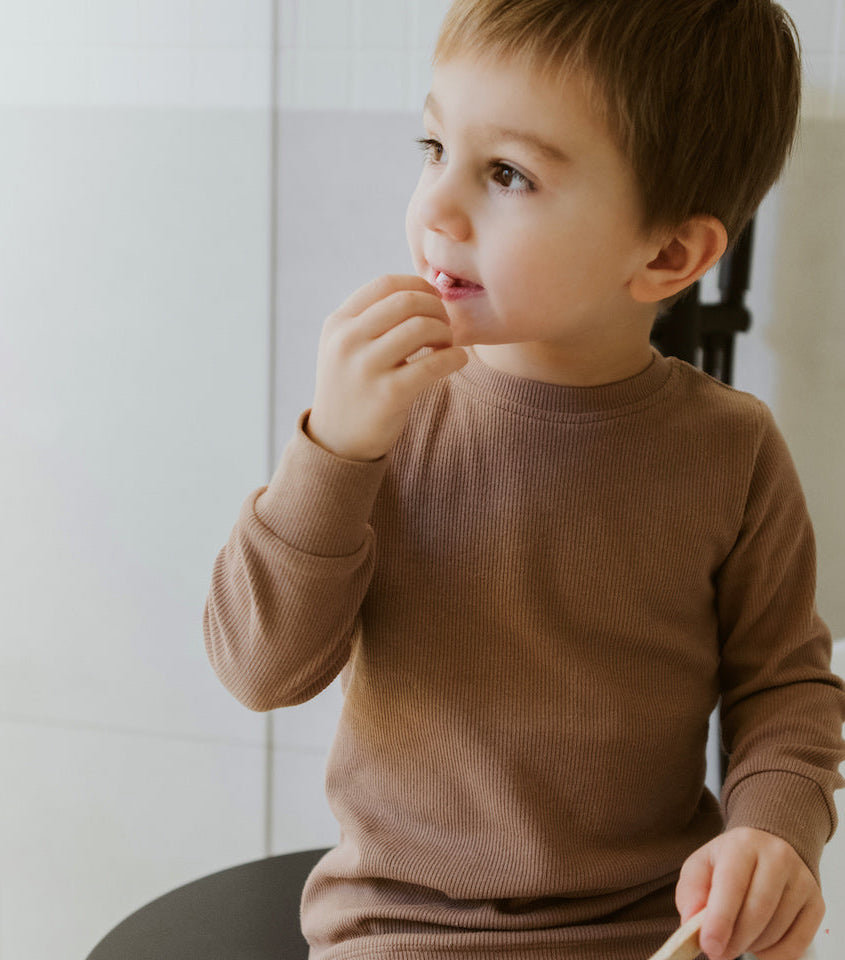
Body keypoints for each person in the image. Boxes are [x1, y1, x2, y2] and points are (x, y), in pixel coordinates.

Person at [203, 2, 845, 958]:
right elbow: (260, 668)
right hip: (398, 928)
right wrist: (333, 453)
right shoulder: (381, 420)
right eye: (432, 147)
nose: (436, 207)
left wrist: (772, 831)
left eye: (506, 173)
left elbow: (785, 690)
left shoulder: (732, 452)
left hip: (649, 927)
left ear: (667, 255)